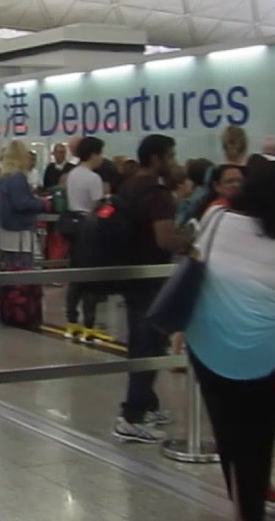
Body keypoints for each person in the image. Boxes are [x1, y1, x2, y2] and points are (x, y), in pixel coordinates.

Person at [182, 159, 275, 521]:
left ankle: (238, 500)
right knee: (259, 433)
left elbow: (196, 262)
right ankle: (251, 508)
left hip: (209, 341)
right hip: (262, 349)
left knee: (227, 430)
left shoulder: (216, 218)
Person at [113, 134, 184, 444]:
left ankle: (147, 403)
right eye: (170, 156)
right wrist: (189, 238)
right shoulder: (158, 194)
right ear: (156, 158)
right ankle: (131, 417)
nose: (173, 162)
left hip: (130, 273)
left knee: (140, 342)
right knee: (149, 345)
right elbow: (164, 239)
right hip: (151, 278)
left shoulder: (128, 186)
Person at [64, 136, 105, 335]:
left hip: (73, 225)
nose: (101, 158)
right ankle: (89, 323)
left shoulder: (72, 174)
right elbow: (98, 205)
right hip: (90, 227)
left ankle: (71, 320)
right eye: (100, 153)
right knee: (91, 277)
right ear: (93, 154)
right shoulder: (93, 178)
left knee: (76, 275)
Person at [0, 140, 46, 270]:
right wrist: (41, 203)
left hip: (6, 231)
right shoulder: (18, 177)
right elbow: (22, 203)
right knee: (27, 269)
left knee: (10, 268)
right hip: (20, 232)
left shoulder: (4, 177)